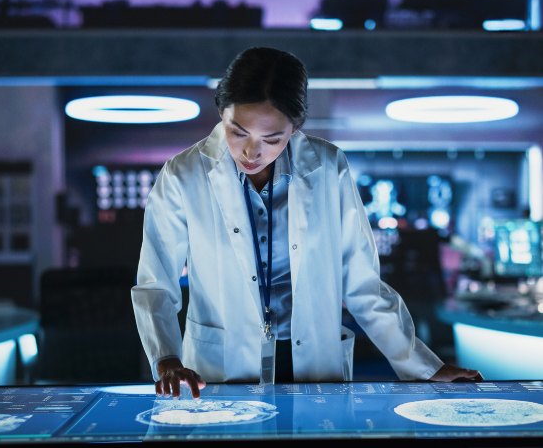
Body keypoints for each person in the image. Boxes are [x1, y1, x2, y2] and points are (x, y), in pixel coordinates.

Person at [132, 47, 482, 398]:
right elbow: (157, 282)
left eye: (272, 139)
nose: (252, 153)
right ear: (222, 112)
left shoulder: (329, 168)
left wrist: (426, 366)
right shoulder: (183, 175)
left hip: (313, 359)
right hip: (219, 363)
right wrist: (166, 357)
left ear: (295, 128)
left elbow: (361, 283)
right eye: (238, 132)